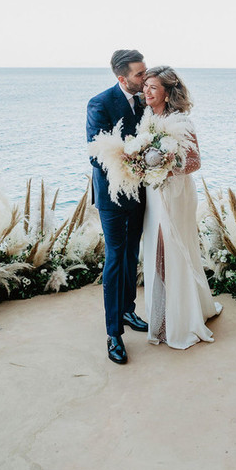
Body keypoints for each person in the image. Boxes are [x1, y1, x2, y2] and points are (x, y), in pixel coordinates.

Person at [141, 65, 222, 348]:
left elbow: (195, 162)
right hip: (153, 193)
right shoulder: (147, 116)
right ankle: (162, 313)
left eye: (153, 87)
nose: (146, 91)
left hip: (175, 193)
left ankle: (180, 320)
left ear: (167, 92)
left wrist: (165, 165)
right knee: (155, 250)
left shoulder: (182, 121)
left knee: (173, 248)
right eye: (145, 86)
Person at [86, 49, 149, 365]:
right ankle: (114, 334)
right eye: (140, 74)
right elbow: (96, 156)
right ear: (122, 78)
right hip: (112, 197)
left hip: (140, 194)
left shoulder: (143, 101)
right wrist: (135, 159)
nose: (145, 77)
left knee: (131, 255)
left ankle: (127, 310)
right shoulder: (99, 104)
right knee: (114, 258)